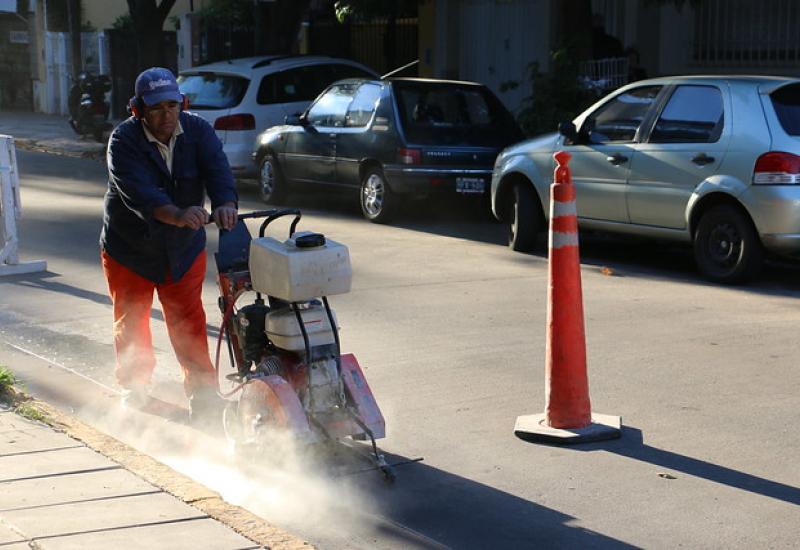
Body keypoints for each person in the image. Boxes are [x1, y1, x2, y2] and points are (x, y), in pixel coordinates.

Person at [100, 67, 238, 426]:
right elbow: (138, 193)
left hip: (182, 248)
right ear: (138, 109)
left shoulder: (199, 131)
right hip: (130, 249)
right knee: (132, 321)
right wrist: (177, 214)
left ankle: (204, 393)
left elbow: (219, 171)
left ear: (183, 103)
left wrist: (225, 203)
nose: (166, 115)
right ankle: (135, 386)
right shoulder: (123, 141)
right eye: (156, 108)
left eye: (172, 106)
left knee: (188, 320)